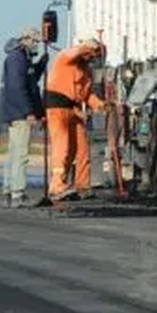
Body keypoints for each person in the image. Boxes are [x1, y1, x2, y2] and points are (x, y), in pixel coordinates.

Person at [43, 37, 108, 202]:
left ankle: (82, 185)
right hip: (57, 108)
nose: (93, 60)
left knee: (82, 148)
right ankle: (56, 186)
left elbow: (87, 94)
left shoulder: (86, 71)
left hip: (74, 110)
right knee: (62, 147)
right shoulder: (65, 59)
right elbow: (73, 52)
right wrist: (88, 46)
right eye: (93, 56)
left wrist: (101, 105)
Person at [0, 27, 47, 207]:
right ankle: (17, 193)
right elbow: (18, 87)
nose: (36, 45)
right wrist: (28, 112)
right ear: (25, 39)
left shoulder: (22, 58)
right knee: (20, 154)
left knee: (13, 153)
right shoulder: (17, 58)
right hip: (19, 113)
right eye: (35, 41)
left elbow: (30, 81)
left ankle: (8, 191)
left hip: (15, 111)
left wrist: (40, 65)